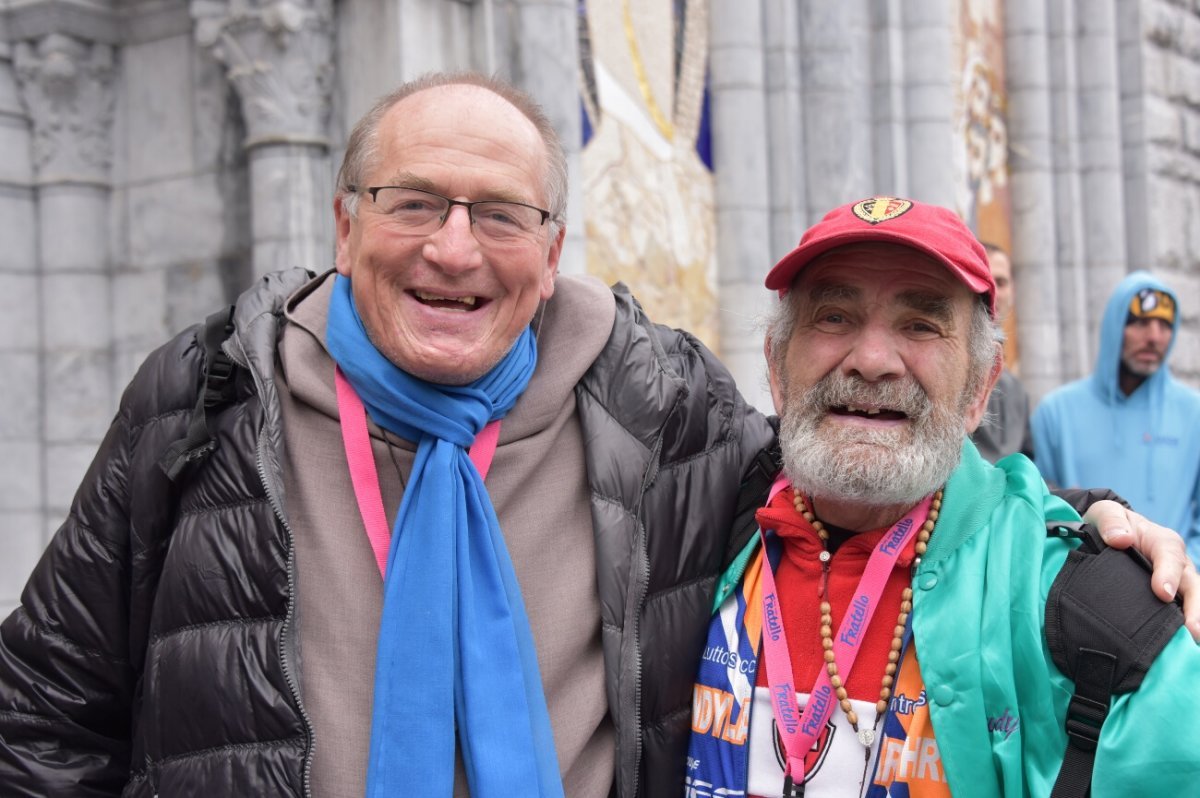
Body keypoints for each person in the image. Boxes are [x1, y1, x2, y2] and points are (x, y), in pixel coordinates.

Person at [0, 76, 1193, 798]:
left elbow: (871, 457)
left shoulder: (656, 407)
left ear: (554, 245)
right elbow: (44, 712)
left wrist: (1081, 524)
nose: (454, 250)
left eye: (500, 214)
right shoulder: (205, 399)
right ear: (345, 220)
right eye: (415, 202)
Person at [685, 197, 1200, 797]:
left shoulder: (1094, 611)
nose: (873, 361)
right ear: (775, 366)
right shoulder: (697, 518)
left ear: (980, 388)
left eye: (921, 325)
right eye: (833, 317)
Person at [1033, 272, 1200, 565]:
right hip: (1085, 588)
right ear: (1113, 326)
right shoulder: (1055, 413)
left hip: (1176, 588)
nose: (1154, 337)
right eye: (1139, 322)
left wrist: (1187, 565)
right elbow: (1041, 509)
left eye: (1165, 325)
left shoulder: (1193, 412)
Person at [969, 242, 1034, 462]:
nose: (994, 291)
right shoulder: (949, 368)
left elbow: (1026, 463)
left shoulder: (1016, 389)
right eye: (985, 279)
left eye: (1001, 282)